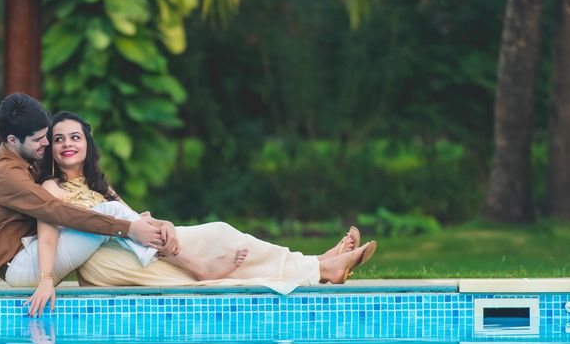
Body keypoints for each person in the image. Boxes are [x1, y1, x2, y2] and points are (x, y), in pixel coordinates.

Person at [23, 111, 376, 316]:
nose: (67, 144)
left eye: (75, 137)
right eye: (58, 139)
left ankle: (318, 262)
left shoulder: (100, 185)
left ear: (87, 144)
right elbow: (52, 233)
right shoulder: (52, 188)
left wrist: (163, 226)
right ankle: (321, 269)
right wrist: (46, 279)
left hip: (139, 246)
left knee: (221, 233)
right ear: (50, 150)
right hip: (105, 263)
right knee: (208, 281)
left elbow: (134, 217)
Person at [0, 94, 245, 295]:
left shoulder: (25, 162)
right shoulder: (8, 176)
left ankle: (194, 263)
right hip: (23, 266)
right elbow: (56, 213)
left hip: (33, 255)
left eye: (49, 136)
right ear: (13, 140)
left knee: (117, 213)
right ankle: (199, 267)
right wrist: (128, 228)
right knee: (112, 213)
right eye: (40, 139)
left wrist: (153, 224)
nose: (47, 144)